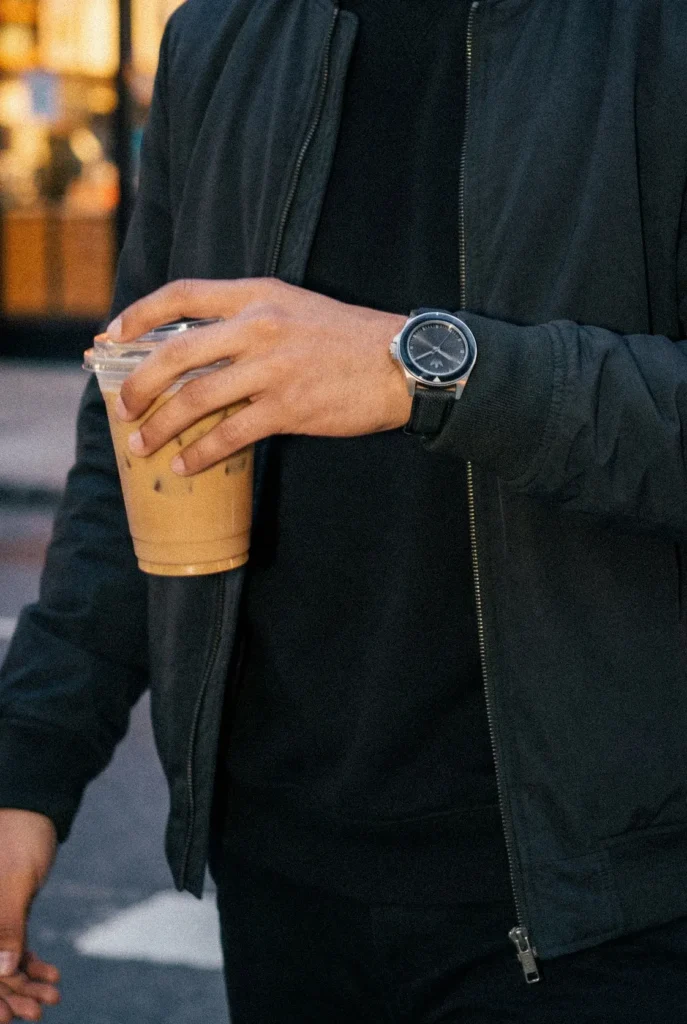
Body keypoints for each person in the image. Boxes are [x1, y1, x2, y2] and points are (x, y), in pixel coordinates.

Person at [1, 0, 687, 1021]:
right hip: (283, 884)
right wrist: (29, 764)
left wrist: (423, 368)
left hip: (604, 905)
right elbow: (137, 431)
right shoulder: (218, 36)